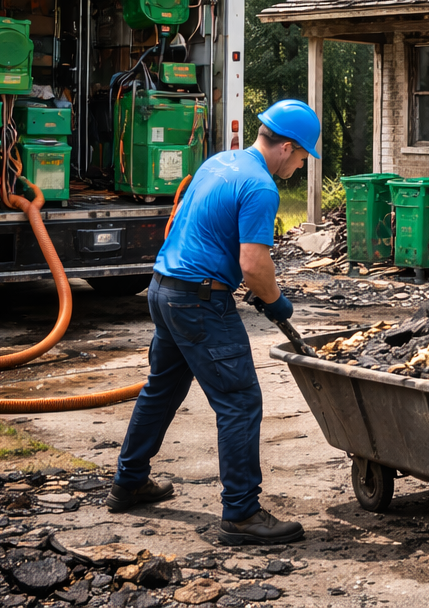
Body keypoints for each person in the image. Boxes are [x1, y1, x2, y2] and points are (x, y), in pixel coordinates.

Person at [106, 99, 320, 545]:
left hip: (164, 289)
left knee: (161, 389)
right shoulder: (261, 187)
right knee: (240, 402)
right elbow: (254, 265)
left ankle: (128, 482)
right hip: (200, 302)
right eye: (302, 157)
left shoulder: (222, 161)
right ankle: (241, 514)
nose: (300, 167)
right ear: (286, 146)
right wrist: (276, 303)